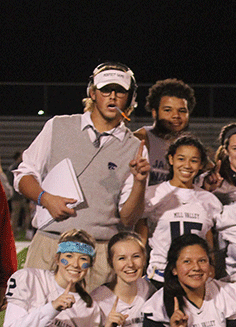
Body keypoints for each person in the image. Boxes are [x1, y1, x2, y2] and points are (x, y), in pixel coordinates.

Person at [13, 62, 150, 290]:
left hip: (99, 251)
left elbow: (128, 219)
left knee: (90, 325)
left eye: (120, 91)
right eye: (106, 89)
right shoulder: (57, 126)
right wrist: (45, 198)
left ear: (131, 97)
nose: (112, 97)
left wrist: (139, 182)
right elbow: (23, 174)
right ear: (92, 92)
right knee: (34, 321)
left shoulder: (135, 147)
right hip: (50, 243)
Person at [137, 134, 222, 284]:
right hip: (160, 276)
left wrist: (212, 265)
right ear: (171, 159)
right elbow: (141, 236)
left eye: (194, 160)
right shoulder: (153, 193)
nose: (187, 165)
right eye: (181, 159)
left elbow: (207, 237)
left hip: (195, 277)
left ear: (201, 164)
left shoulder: (209, 200)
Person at [134, 78, 196, 186]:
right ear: (154, 113)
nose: (176, 115)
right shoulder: (140, 138)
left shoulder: (190, 146)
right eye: (168, 110)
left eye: (182, 111)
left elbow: (210, 173)